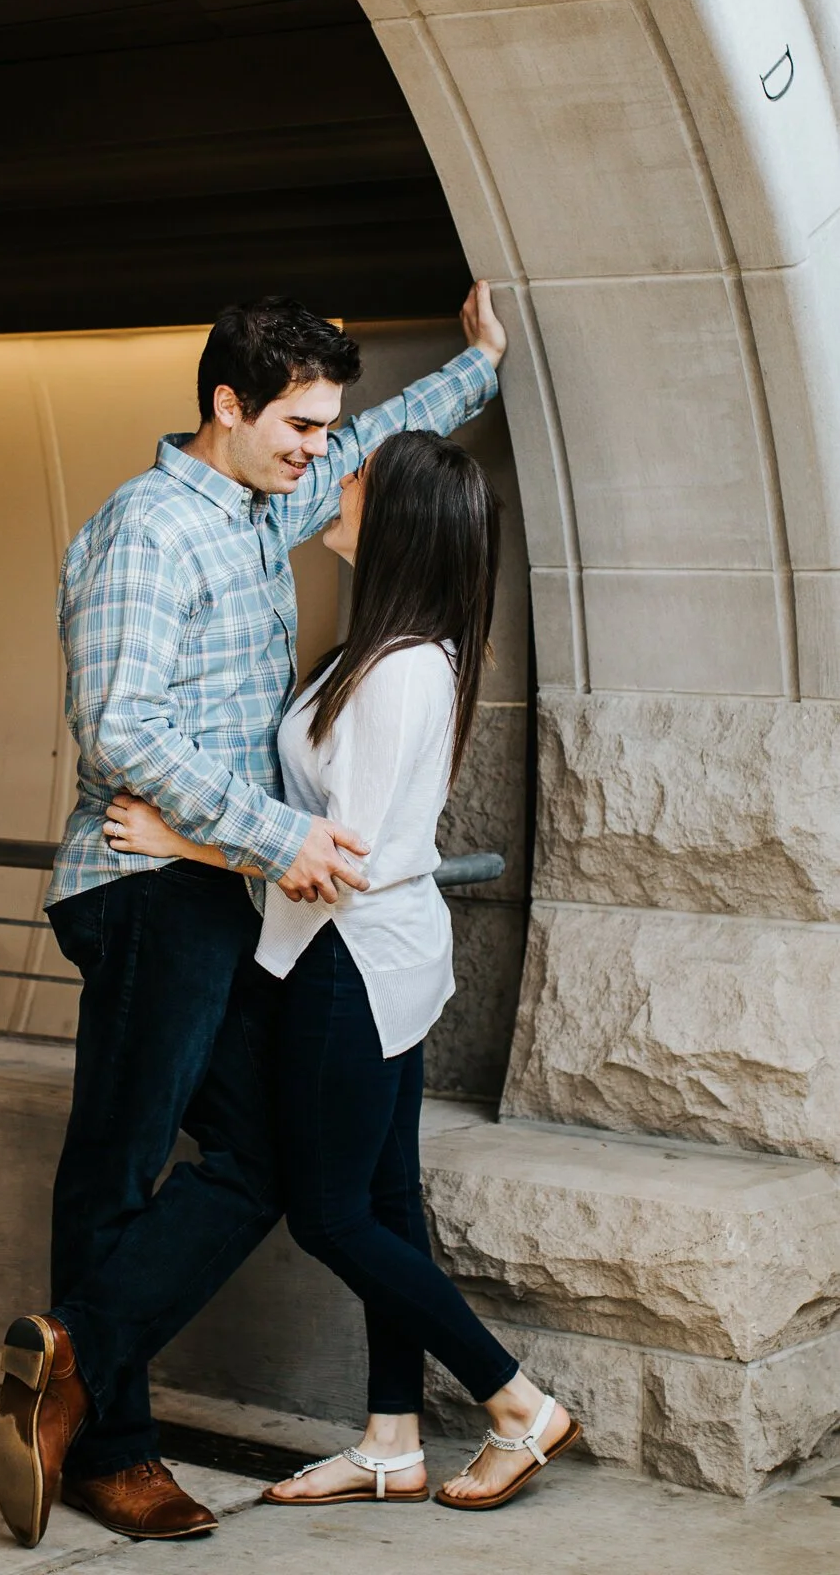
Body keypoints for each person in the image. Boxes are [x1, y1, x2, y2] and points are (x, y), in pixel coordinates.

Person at [0, 286, 506, 1549]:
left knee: (261, 1164)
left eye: (328, 429)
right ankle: (111, 1450)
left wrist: (479, 366)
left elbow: (380, 435)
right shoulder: (152, 529)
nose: (320, 450)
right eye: (300, 425)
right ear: (227, 405)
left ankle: (72, 1358)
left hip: (215, 884)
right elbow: (119, 726)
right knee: (117, 1162)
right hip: (144, 886)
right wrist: (279, 835)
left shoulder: (259, 505)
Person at [104, 429, 581, 1513]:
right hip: (376, 958)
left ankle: (516, 1400)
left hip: (348, 963)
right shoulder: (392, 652)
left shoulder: (402, 671)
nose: (334, 478)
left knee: (329, 1212)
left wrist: (185, 843)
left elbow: (337, 860)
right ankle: (390, 1441)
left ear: (400, 516)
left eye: (356, 473)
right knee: (383, 1200)